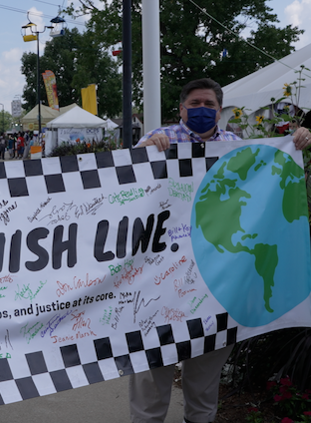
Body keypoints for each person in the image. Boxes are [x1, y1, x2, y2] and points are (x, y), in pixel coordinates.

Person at [132, 78, 311, 423]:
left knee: (203, 386)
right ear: (182, 109)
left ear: (219, 109)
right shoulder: (158, 140)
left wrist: (295, 142)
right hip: (161, 287)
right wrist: (144, 153)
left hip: (215, 285)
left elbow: (267, 180)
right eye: (195, 103)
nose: (203, 110)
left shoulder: (236, 146)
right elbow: (124, 187)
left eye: (210, 104)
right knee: (151, 384)